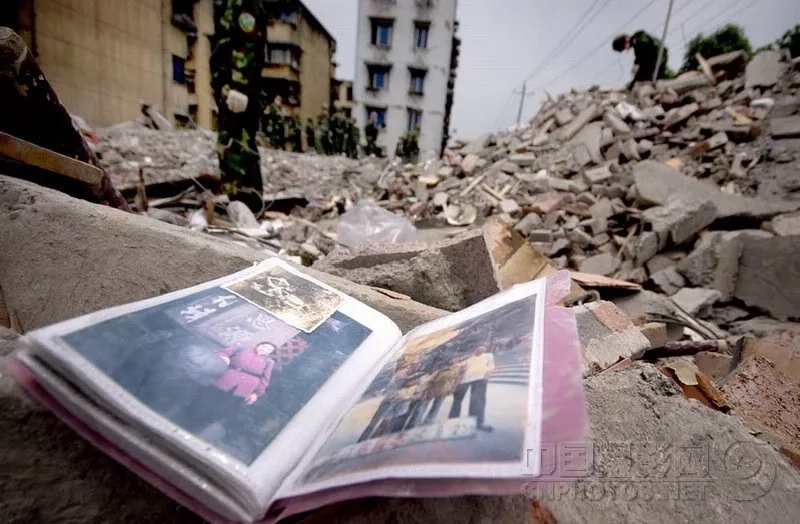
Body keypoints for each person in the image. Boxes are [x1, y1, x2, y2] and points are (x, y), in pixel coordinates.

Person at [210, 0, 267, 213]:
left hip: (237, 88)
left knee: (236, 144)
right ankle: (239, 199)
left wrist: (239, 85)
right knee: (230, 142)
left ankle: (246, 201)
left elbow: (249, 42)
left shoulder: (244, 3)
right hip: (228, 84)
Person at [448, 346, 495, 432]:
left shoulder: (488, 355)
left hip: (480, 379)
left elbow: (491, 366)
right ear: (475, 348)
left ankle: (477, 422)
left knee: (478, 401)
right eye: (479, 347)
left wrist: (487, 373)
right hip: (463, 380)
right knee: (457, 400)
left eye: (484, 347)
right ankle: (452, 421)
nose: (482, 349)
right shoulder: (468, 358)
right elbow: (456, 367)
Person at [214, 341, 277, 405]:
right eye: (264, 346)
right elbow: (224, 352)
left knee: (227, 407)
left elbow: (265, 378)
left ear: (270, 353)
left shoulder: (269, 362)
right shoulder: (242, 348)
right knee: (210, 397)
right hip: (225, 380)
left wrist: (256, 393)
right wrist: (225, 357)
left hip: (245, 388)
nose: (264, 349)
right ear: (258, 345)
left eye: (268, 349)